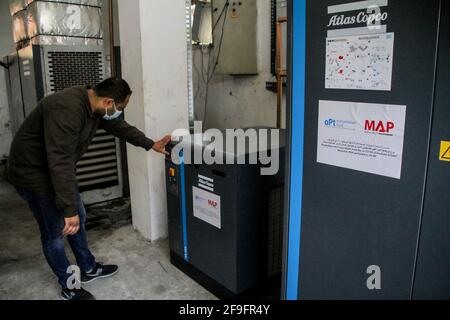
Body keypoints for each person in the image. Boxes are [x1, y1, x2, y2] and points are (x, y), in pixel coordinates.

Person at [6, 78, 172, 300]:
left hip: (55, 170)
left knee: (79, 218)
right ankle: (69, 285)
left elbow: (119, 127)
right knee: (54, 231)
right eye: (120, 108)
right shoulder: (66, 109)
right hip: (33, 174)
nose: (118, 113)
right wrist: (68, 209)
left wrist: (150, 143)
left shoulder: (94, 107)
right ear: (108, 102)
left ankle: (88, 268)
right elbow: (60, 160)